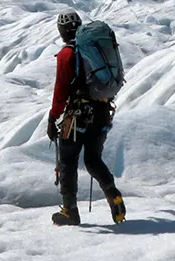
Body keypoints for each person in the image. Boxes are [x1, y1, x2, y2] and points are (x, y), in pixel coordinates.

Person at [48, 11, 125, 225]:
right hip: (102, 112)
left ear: (62, 31)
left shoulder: (67, 54)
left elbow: (61, 89)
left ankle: (70, 210)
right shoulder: (96, 51)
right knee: (92, 159)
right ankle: (112, 193)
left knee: (68, 160)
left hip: (78, 115)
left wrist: (53, 117)